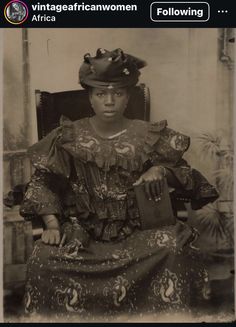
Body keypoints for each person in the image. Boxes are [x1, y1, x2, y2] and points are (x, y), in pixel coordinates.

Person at [20, 48, 219, 320]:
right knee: (44, 261)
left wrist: (160, 169)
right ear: (90, 98)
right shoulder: (67, 136)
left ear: (128, 97)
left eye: (118, 93)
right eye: (101, 94)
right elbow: (42, 181)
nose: (109, 101)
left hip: (137, 232)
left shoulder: (148, 134)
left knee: (175, 247)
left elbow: (184, 172)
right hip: (82, 231)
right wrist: (52, 225)